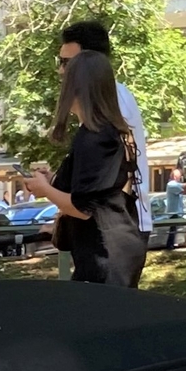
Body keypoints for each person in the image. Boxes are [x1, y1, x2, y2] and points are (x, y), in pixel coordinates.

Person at [20, 49, 146, 287]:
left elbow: (83, 207)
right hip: (111, 248)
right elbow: (96, 190)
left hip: (105, 253)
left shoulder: (95, 137)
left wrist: (45, 189)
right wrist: (51, 182)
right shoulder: (102, 132)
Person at [59, 20, 156, 239]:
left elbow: (100, 183)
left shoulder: (111, 100)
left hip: (118, 229)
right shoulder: (110, 97)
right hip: (114, 227)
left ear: (90, 62)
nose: (61, 70)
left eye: (67, 62)